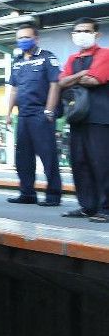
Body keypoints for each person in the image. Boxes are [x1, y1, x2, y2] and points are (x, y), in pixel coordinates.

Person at [4, 23, 62, 206]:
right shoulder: (18, 62)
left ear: (36, 39)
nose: (23, 41)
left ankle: (53, 195)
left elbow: (55, 84)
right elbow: (14, 89)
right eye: (20, 38)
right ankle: (27, 193)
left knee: (48, 156)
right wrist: (8, 113)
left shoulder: (47, 58)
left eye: (26, 37)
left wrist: (49, 110)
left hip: (41, 114)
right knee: (23, 157)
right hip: (23, 116)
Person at [58, 18, 109, 221]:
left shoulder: (105, 54)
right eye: (77, 30)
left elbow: (94, 80)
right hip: (78, 117)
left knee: (102, 163)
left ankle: (106, 208)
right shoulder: (73, 58)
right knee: (79, 162)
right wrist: (81, 74)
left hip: (100, 117)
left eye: (86, 31)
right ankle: (87, 206)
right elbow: (62, 82)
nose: (81, 34)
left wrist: (74, 78)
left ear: (97, 34)